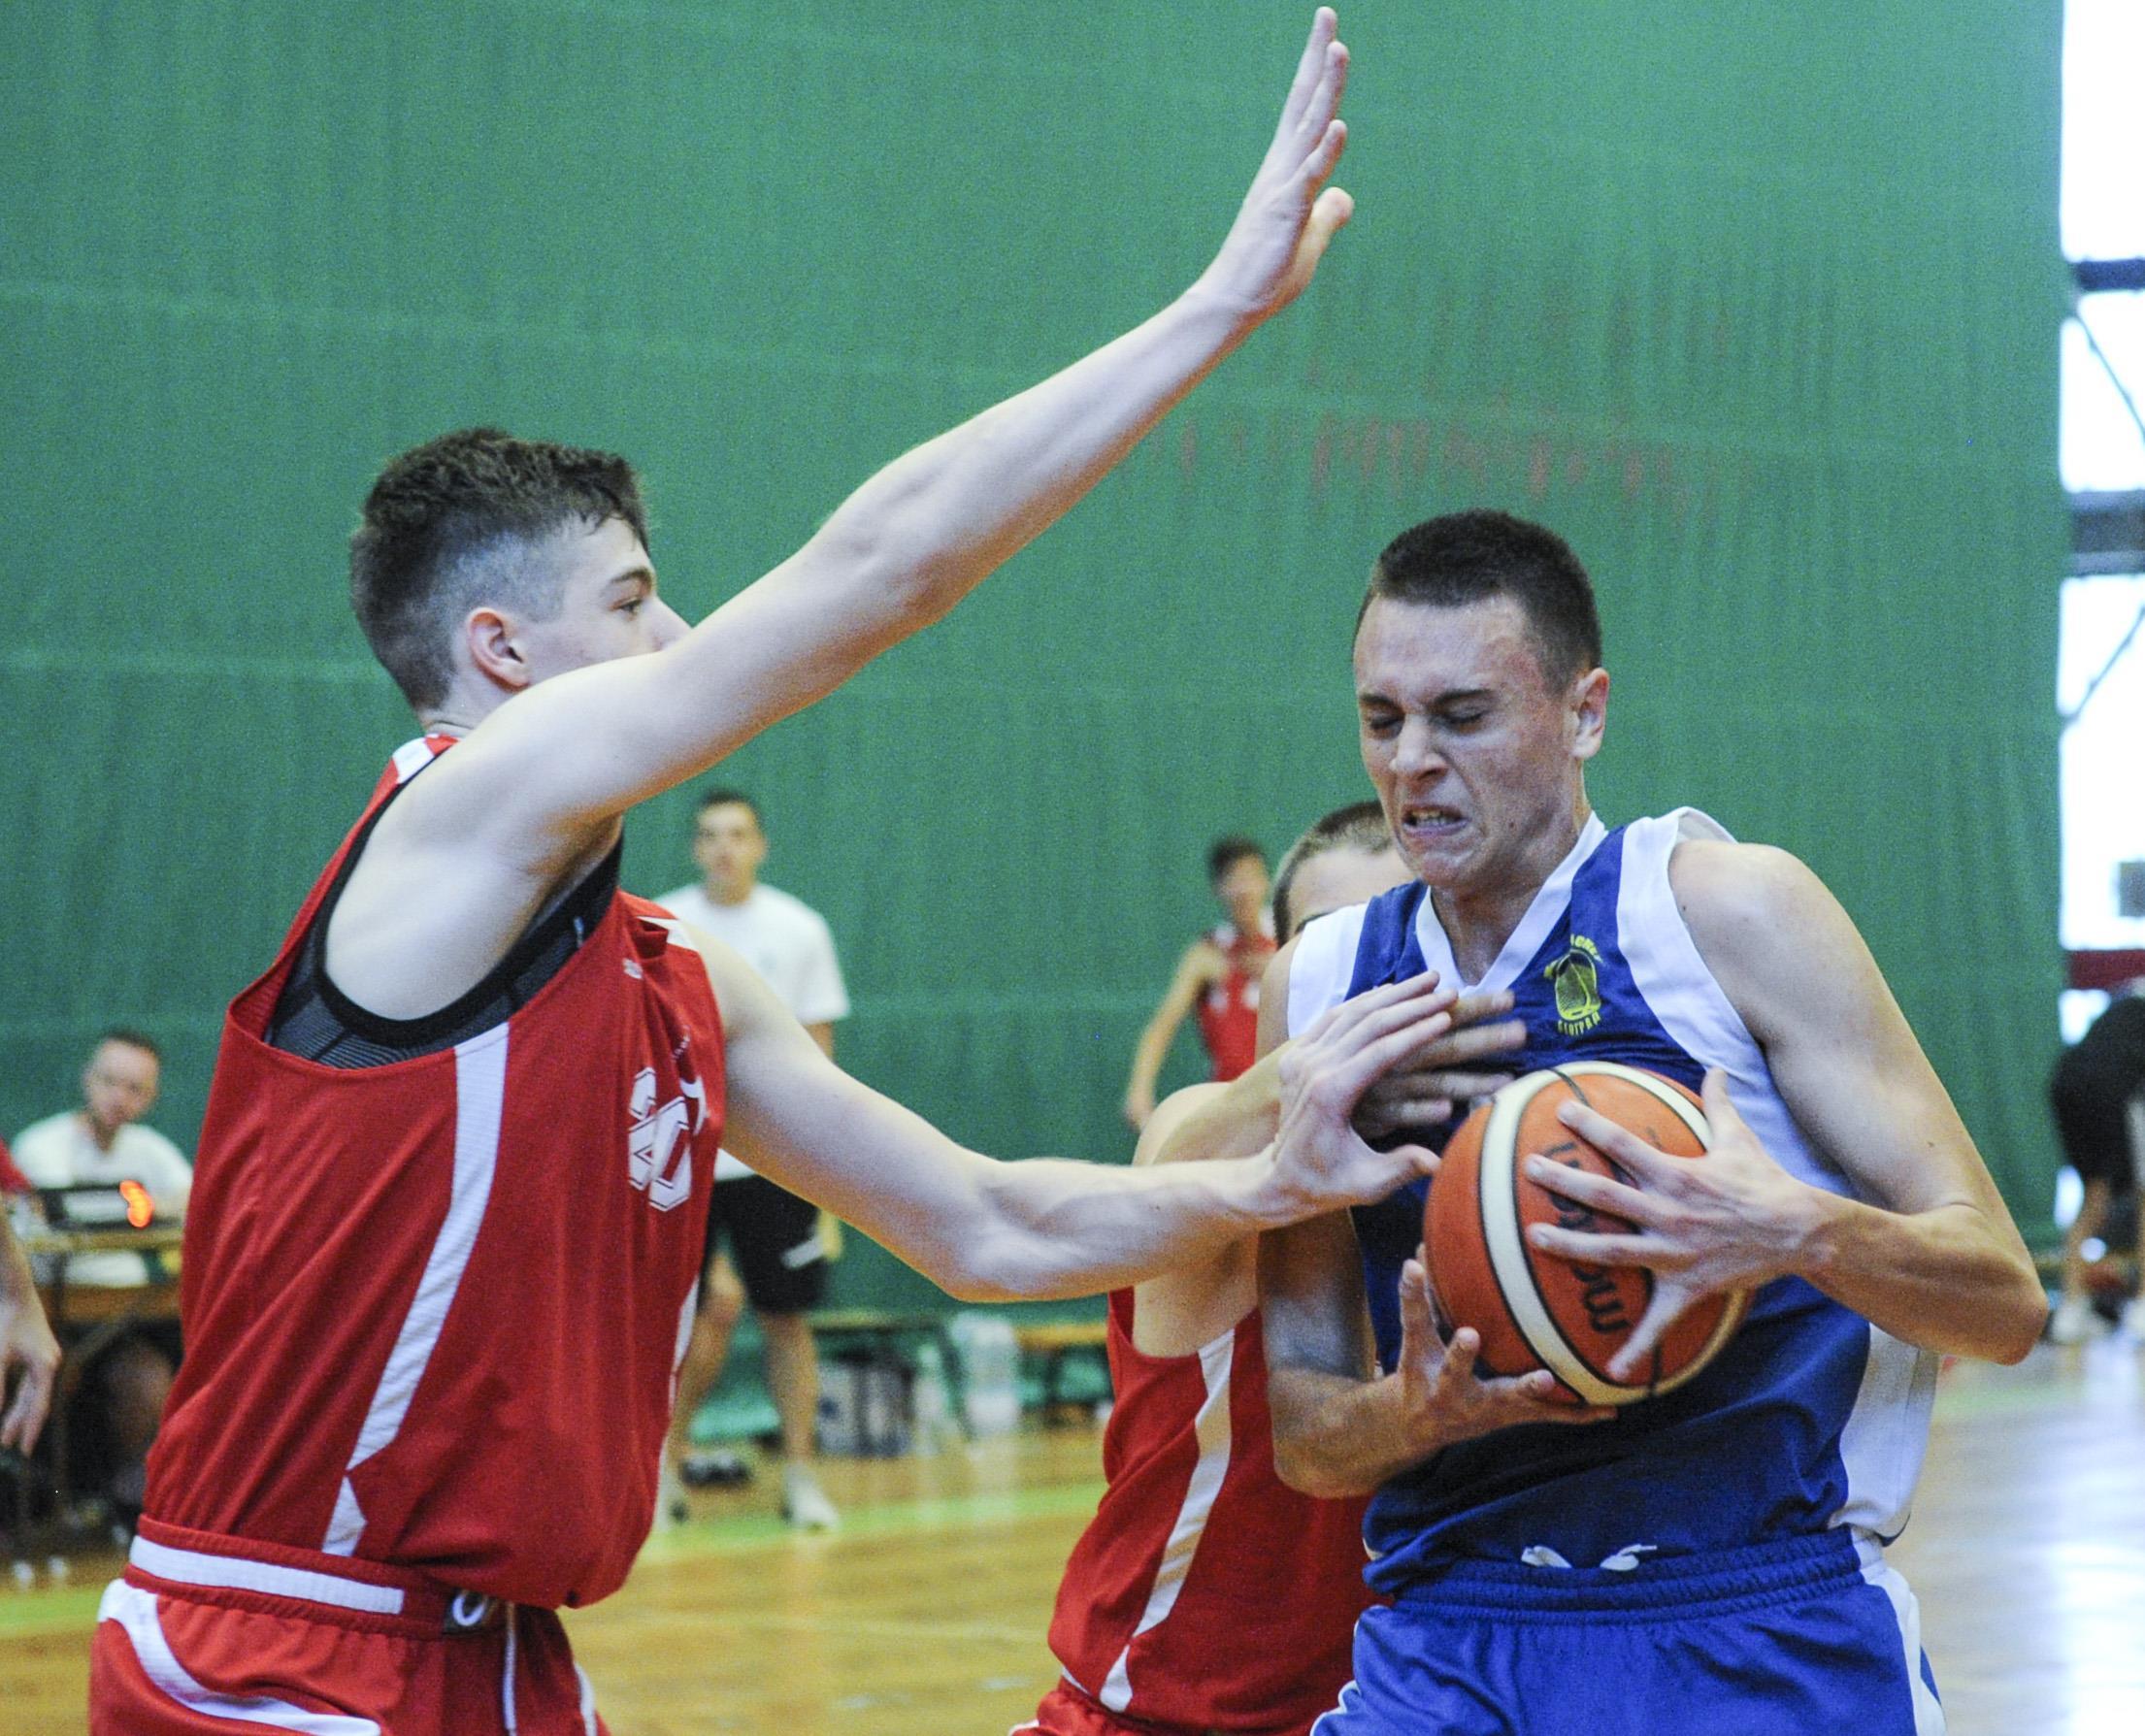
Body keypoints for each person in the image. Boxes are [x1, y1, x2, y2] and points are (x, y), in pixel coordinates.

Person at [88, 18, 1452, 1730]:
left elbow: (986, 1221)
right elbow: (881, 571)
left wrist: (1255, 1186)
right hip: (282, 1639)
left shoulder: (681, 979)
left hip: (499, 1657)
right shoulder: (451, 814)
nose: (682, 633)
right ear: (500, 651)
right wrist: (1215, 308)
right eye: (634, 599)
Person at [1256, 510, 2046, 1735]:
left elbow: (2002, 1300)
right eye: (1380, 718)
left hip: (1761, 1625)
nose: (1410, 760)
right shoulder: (1317, 986)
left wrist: (1791, 1230)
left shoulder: (1727, 916)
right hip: (1452, 1641)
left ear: (1584, 713)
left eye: (1461, 715)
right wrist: (1411, 1412)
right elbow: (1304, 1435)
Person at [1027, 801, 1531, 1736]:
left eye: (1401, 939)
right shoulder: (1218, 1138)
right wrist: (1311, 1082)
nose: (1375, 981)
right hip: (1164, 1715)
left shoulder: (1502, 1179)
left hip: (1397, 1707)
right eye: (1334, 945)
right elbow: (1175, 1155)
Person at [656, 789, 850, 1528]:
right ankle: (660, 1471)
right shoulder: (661, 924)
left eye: (737, 834)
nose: (724, 847)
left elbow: (818, 1053)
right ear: (694, 847)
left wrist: (822, 1166)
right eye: (710, 834)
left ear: (760, 845)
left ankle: (801, 1475)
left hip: (774, 1164)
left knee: (785, 1318)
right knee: (688, 1318)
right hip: (685, 1158)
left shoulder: (799, 929)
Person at [12, 1030, 194, 1512]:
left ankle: (123, 1510)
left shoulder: (148, 1148)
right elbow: (63, 1210)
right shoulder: (43, 1143)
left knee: (150, 1386)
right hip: (47, 1315)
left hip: (126, 1315)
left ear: (151, 1097)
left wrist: (139, 1208)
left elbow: (194, 1197)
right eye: (110, 1082)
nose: (119, 1098)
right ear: (87, 1079)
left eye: (135, 1089)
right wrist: (148, 1208)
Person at [1123, 837, 1276, 1130]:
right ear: (1217, 889)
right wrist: (1139, 1090)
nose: (1243, 890)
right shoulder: (1207, 955)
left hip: (1279, 1099)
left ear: (1266, 883)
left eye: (1251, 878)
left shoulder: (1290, 944)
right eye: (1234, 880)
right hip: (1226, 1101)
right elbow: (1162, 1026)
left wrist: (1278, 968)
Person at [2046, 984, 2145, 1343]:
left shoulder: (2125, 1004)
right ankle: (2142, 1308)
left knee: (2094, 1197)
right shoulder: (2134, 1016)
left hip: (2067, 1081)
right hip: (2117, 1085)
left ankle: (2071, 1310)